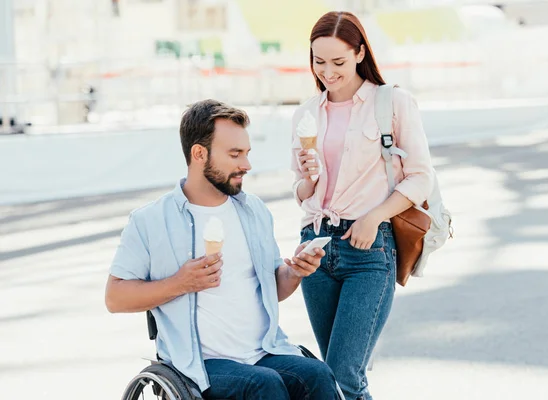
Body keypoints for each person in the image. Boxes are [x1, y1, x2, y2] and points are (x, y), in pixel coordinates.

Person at [105, 99, 340, 400]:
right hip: (200, 365)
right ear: (199, 153)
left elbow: (274, 289)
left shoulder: (253, 211)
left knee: (318, 375)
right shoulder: (150, 220)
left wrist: (293, 272)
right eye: (235, 154)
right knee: (263, 385)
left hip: (263, 351)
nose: (247, 165)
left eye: (246, 153)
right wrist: (180, 283)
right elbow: (115, 297)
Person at [291, 11, 434, 400]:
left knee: (343, 375)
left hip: (369, 248)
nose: (327, 72)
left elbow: (421, 176)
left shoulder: (393, 103)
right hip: (315, 246)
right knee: (333, 379)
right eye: (319, 61)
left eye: (337, 61)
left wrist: (375, 216)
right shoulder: (306, 112)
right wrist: (308, 177)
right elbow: (303, 194)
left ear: (359, 52)